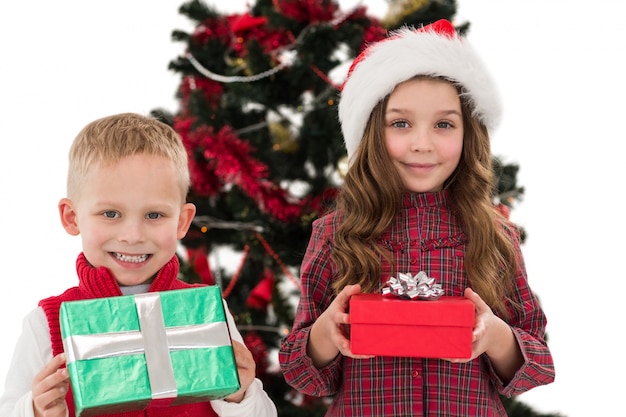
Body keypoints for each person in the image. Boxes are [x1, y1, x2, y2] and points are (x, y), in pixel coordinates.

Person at [278, 19, 555, 416]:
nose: (421, 144)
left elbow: (539, 365)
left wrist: (496, 336)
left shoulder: (494, 235)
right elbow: (301, 373)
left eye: (443, 124)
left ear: (468, 133)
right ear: (373, 131)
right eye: (401, 123)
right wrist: (325, 334)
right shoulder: (336, 233)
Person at [0, 113, 278, 417]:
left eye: (154, 215)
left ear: (182, 221)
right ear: (72, 217)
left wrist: (240, 396)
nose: (132, 236)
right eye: (110, 214)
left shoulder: (208, 314)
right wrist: (36, 411)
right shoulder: (45, 323)